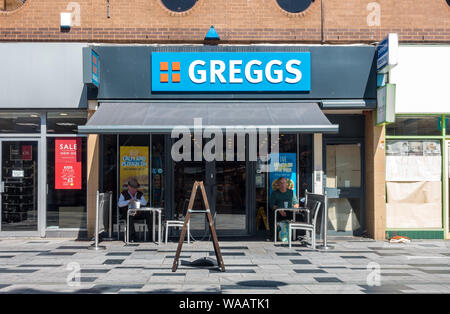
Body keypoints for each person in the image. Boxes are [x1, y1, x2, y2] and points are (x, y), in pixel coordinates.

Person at [118, 178, 149, 242]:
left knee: (150, 215)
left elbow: (144, 202)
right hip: (128, 214)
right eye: (133, 188)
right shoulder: (124, 194)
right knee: (130, 217)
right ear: (129, 187)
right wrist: (129, 201)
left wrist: (137, 200)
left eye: (135, 188)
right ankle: (132, 237)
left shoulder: (139, 193)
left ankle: (151, 236)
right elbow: (119, 204)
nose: (134, 190)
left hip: (138, 213)